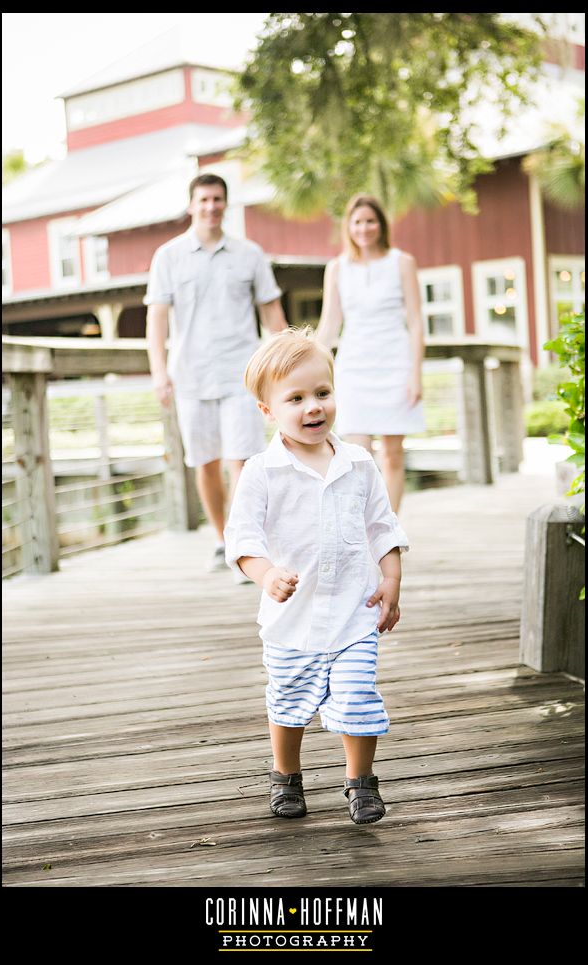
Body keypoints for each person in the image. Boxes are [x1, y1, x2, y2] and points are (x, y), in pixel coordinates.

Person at [224, 327, 409, 824]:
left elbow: (382, 526)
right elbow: (241, 541)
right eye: (297, 398)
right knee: (288, 701)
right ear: (268, 411)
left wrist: (390, 581)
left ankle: (361, 782)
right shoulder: (261, 472)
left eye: (322, 393)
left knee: (358, 695)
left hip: (354, 613)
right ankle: (286, 775)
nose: (313, 407)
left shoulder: (358, 463)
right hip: (293, 622)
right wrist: (265, 575)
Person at [145, 173, 288, 572]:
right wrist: (159, 371)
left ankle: (247, 546)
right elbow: (156, 319)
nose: (211, 206)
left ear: (226, 204)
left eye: (218, 199)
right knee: (205, 462)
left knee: (242, 462)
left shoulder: (250, 254)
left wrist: (287, 363)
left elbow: (271, 311)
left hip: (241, 376)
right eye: (204, 199)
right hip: (191, 376)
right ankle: (220, 538)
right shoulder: (168, 257)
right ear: (192, 205)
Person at [316, 193, 425, 513]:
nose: (364, 228)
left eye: (370, 221)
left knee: (392, 453)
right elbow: (330, 323)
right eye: (358, 221)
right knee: (355, 455)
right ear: (348, 226)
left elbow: (416, 322)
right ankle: (361, 530)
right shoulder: (337, 268)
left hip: (395, 363)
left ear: (381, 225)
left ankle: (389, 529)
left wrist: (415, 374)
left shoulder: (402, 262)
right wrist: (308, 360)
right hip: (354, 366)